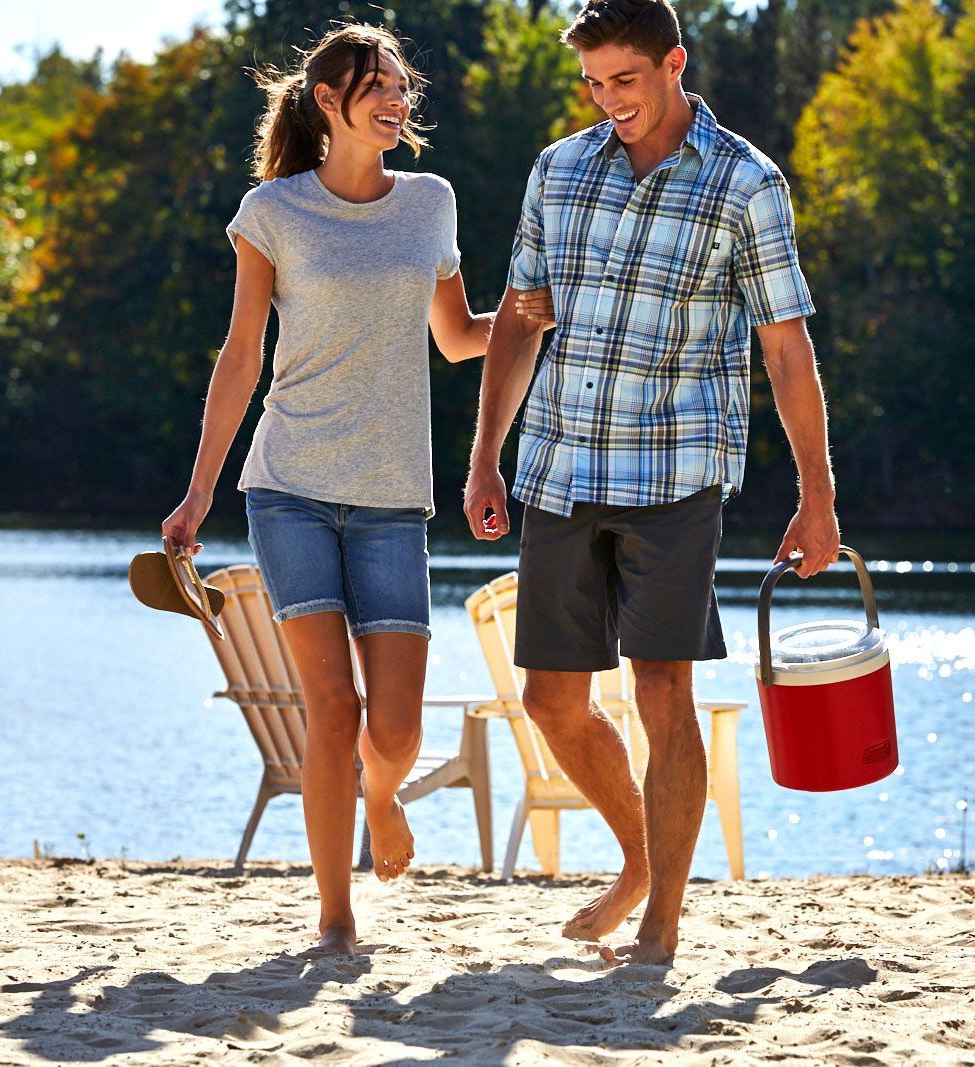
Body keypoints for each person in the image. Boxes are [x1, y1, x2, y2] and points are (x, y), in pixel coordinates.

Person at [161, 24, 549, 956]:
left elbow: (456, 337)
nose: (394, 100)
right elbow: (241, 357)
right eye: (374, 86)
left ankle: (383, 795)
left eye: (400, 86)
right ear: (326, 104)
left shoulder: (430, 203)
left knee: (400, 731)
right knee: (331, 712)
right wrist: (196, 494)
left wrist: (531, 312)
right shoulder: (273, 211)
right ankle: (336, 915)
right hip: (287, 487)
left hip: (391, 500)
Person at [466, 0, 840, 967]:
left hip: (675, 474)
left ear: (674, 63)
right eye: (593, 83)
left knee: (663, 694)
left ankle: (663, 923)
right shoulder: (561, 169)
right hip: (558, 463)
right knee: (550, 699)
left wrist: (818, 494)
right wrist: (484, 456)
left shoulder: (744, 182)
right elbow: (520, 314)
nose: (607, 101)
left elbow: (786, 348)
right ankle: (636, 860)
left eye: (624, 80)